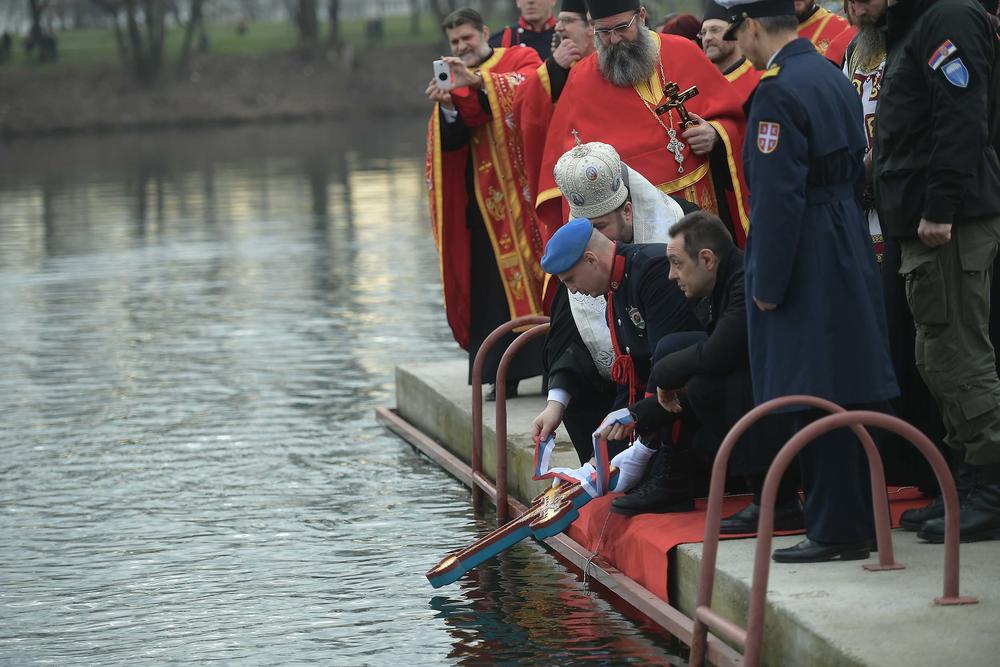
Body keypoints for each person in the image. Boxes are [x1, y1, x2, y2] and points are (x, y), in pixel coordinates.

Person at [724, 0, 899, 562]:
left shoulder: (776, 92)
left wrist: (766, 284)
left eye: (737, 33)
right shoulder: (830, 72)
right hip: (845, 235)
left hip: (806, 251)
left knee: (812, 388)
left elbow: (778, 199)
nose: (738, 46)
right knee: (847, 382)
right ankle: (856, 520)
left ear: (752, 27)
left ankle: (834, 529)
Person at [872, 0, 1000, 543]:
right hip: (922, 222)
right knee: (935, 357)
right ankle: (966, 484)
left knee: (958, 354)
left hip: (948, 223)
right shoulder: (915, 25)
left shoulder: (948, 15)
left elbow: (962, 115)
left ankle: (991, 489)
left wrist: (941, 206)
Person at [615, 212, 804, 529]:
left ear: (707, 259)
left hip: (805, 391)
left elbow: (721, 353)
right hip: (781, 380)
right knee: (678, 352)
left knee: (717, 383)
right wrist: (639, 411)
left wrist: (663, 375)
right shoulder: (726, 278)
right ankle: (676, 481)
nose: (671, 275)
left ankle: (777, 501)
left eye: (677, 263)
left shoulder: (746, 280)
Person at [533, 0, 751, 247]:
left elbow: (735, 120)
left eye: (621, 27)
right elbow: (567, 167)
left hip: (703, 206)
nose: (614, 39)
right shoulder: (581, 80)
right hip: (638, 228)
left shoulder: (684, 52)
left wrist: (715, 133)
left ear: (642, 16)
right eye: (603, 31)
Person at [532, 141, 696, 463]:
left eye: (601, 227)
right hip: (619, 388)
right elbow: (567, 342)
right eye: (585, 229)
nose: (594, 240)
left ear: (627, 211)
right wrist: (555, 404)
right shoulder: (581, 255)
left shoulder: (683, 227)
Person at [425, 8, 547, 400]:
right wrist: (448, 107)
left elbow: (532, 87)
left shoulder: (518, 56)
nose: (462, 46)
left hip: (527, 199)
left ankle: (553, 370)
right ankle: (503, 376)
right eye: (454, 41)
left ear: (484, 33)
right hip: (486, 206)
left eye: (467, 38)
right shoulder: (452, 79)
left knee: (547, 282)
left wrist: (477, 82)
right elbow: (454, 142)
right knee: (491, 294)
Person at [541, 220, 703, 510]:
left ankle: (671, 480)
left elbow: (667, 367)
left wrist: (643, 441)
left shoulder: (652, 270)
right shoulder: (617, 286)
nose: (573, 292)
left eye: (570, 280)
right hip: (667, 405)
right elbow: (629, 377)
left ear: (591, 259)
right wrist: (599, 458)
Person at [513, 0, 596, 217]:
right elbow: (524, 106)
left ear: (591, 27)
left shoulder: (610, 64)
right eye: (559, 21)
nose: (558, 27)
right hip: (568, 178)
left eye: (567, 21)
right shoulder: (560, 68)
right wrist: (553, 67)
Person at [700, 2, 762, 105]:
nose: (707, 38)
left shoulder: (759, 80)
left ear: (734, 34)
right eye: (703, 33)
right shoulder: (700, 85)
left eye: (715, 30)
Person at [490, 0, 559, 60]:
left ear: (552, 1)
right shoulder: (500, 41)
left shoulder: (563, 36)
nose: (530, 1)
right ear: (518, 2)